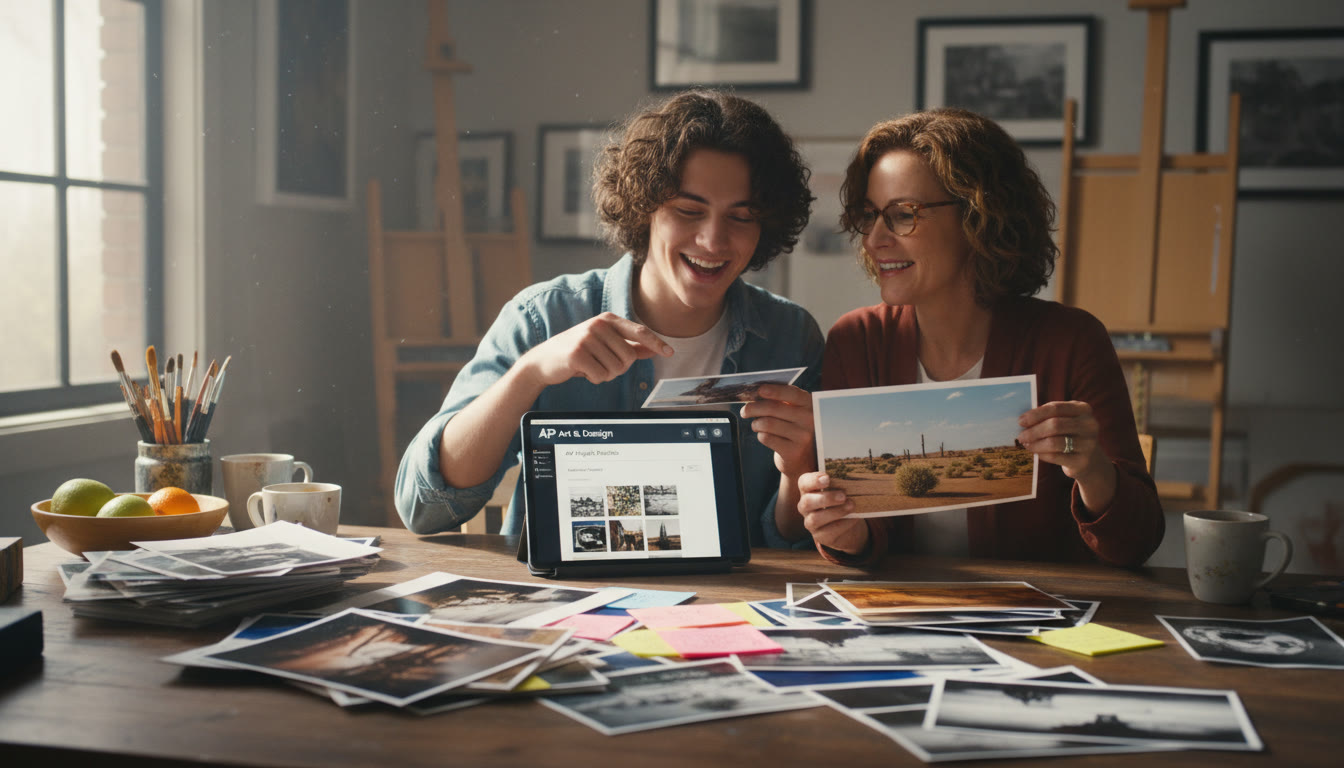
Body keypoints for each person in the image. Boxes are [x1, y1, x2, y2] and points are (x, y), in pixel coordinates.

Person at [396, 91, 823, 543]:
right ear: (645, 208)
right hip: (564, 602)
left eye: (741, 217)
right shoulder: (544, 316)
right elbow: (424, 509)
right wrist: (531, 373)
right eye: (688, 211)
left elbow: (792, 547)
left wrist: (798, 469)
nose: (713, 240)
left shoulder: (791, 337)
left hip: (729, 605)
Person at [771, 108, 1164, 567]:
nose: (875, 238)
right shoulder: (857, 340)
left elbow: (1138, 543)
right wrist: (847, 532)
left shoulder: (1071, 341)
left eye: (902, 215)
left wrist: (1092, 469)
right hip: (903, 611)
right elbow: (863, 532)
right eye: (870, 215)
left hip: (1040, 619)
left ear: (979, 215)